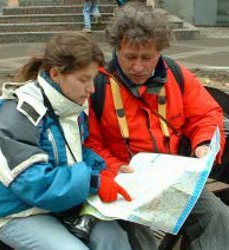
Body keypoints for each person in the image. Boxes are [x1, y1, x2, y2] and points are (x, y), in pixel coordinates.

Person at [83, 3, 229, 250]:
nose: (138, 67)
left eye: (147, 58)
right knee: (140, 238)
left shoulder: (175, 74)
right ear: (116, 49)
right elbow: (88, 144)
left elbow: (206, 114)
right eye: (130, 57)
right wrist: (116, 168)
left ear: (160, 52)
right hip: (121, 181)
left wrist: (204, 142)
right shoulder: (96, 85)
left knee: (219, 218)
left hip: (172, 178)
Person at [0, 33, 133, 250]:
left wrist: (107, 170)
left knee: (114, 240)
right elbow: (30, 180)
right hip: (14, 210)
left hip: (62, 205)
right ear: (56, 74)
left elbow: (77, 152)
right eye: (84, 79)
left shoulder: (71, 104)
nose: (92, 89)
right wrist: (93, 182)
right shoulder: (19, 113)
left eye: (93, 78)